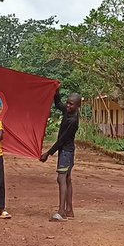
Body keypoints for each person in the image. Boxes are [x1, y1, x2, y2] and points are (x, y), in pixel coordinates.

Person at [40, 91, 81, 221]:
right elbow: (58, 104)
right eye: (68, 103)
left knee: (61, 178)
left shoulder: (72, 120)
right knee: (67, 179)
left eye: (71, 104)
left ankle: (61, 211)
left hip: (66, 152)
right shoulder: (68, 112)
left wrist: (48, 153)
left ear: (77, 106)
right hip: (67, 151)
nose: (68, 106)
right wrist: (56, 91)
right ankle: (69, 210)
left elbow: (62, 140)